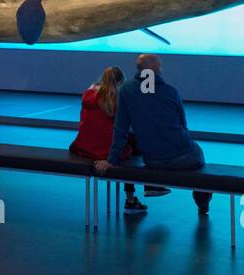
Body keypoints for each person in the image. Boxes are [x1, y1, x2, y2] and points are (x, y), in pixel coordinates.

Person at [94, 54, 212, 215]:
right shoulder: (171, 92)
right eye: (159, 67)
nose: (161, 71)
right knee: (199, 156)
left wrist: (111, 161)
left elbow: (120, 129)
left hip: (153, 160)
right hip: (184, 157)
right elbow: (184, 127)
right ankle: (202, 204)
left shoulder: (126, 91)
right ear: (155, 71)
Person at [70, 66, 170, 215]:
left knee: (128, 142)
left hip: (84, 148)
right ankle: (145, 188)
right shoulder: (120, 99)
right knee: (137, 143)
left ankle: (134, 198)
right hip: (104, 151)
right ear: (120, 82)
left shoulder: (88, 94)